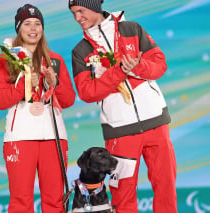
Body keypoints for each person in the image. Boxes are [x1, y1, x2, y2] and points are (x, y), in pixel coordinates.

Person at [68, 0, 177, 213]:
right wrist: (118, 71)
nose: (77, 18)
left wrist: (139, 65)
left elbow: (160, 64)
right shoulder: (81, 51)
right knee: (123, 194)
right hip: (119, 131)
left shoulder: (132, 29)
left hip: (156, 123)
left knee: (166, 186)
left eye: (81, 10)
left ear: (94, 6)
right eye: (73, 13)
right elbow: (87, 93)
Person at [0, 3, 76, 212]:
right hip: (20, 137)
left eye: (38, 24)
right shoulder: (6, 59)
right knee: (21, 202)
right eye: (27, 24)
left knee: (56, 201)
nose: (33, 28)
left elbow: (68, 100)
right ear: (18, 28)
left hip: (54, 137)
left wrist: (54, 84)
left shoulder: (54, 59)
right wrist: (23, 85)